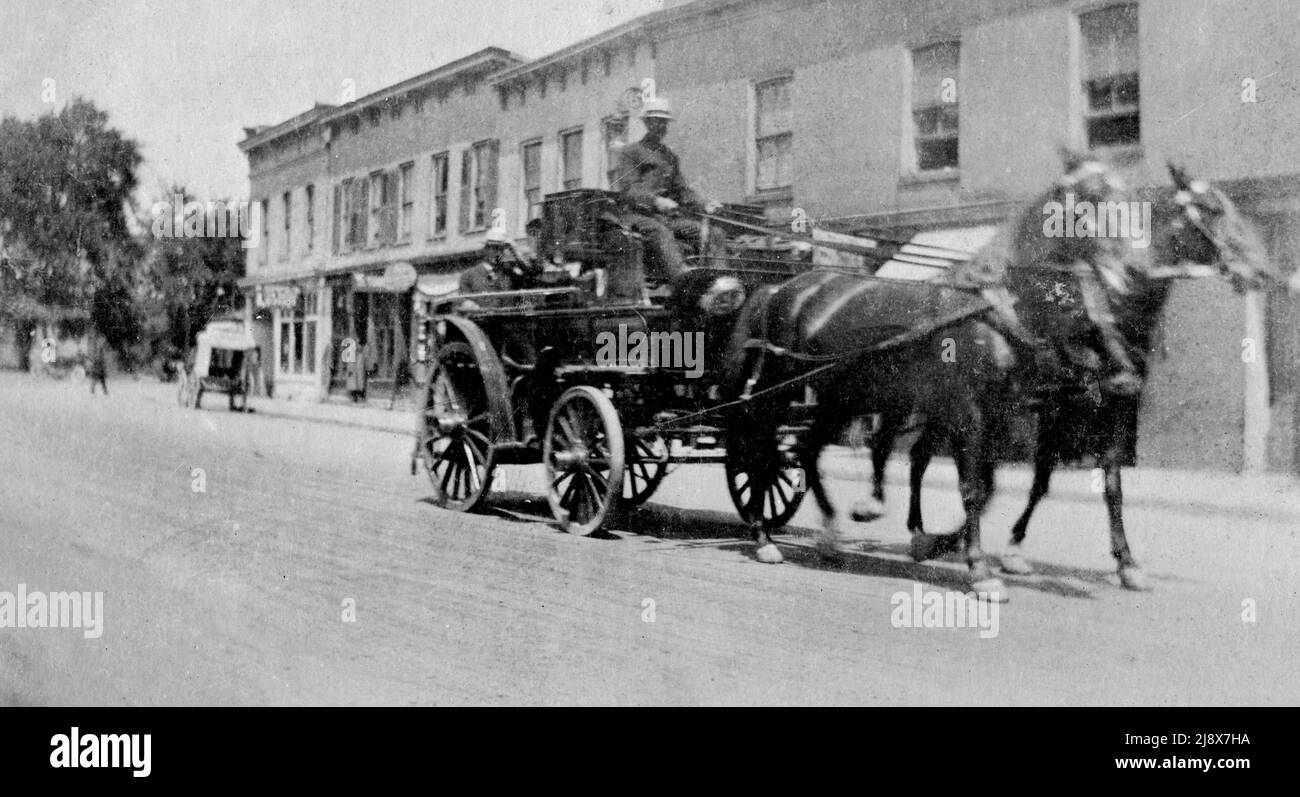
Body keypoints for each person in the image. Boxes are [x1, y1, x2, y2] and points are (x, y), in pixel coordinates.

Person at [613, 97, 727, 285]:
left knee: (712, 233)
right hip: (637, 217)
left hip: (667, 219)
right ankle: (682, 282)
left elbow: (683, 191)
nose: (662, 126)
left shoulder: (670, 156)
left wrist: (705, 204)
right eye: (657, 121)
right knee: (661, 233)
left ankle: (719, 283)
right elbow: (628, 190)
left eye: (665, 122)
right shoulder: (631, 152)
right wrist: (656, 201)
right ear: (647, 123)